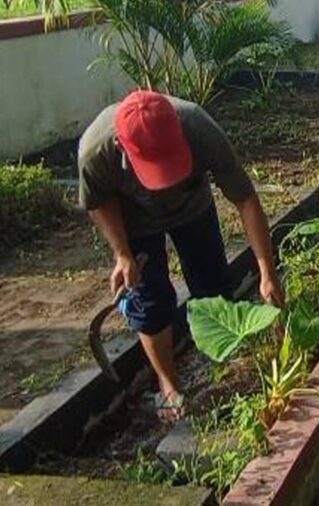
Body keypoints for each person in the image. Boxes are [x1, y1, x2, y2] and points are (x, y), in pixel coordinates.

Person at [78, 90, 284, 421]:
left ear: (178, 130)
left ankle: (222, 370)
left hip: (192, 207)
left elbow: (245, 200)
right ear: (122, 149)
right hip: (136, 221)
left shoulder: (198, 127)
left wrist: (267, 273)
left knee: (214, 285)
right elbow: (98, 202)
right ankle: (169, 385)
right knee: (151, 302)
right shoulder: (96, 151)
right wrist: (123, 253)